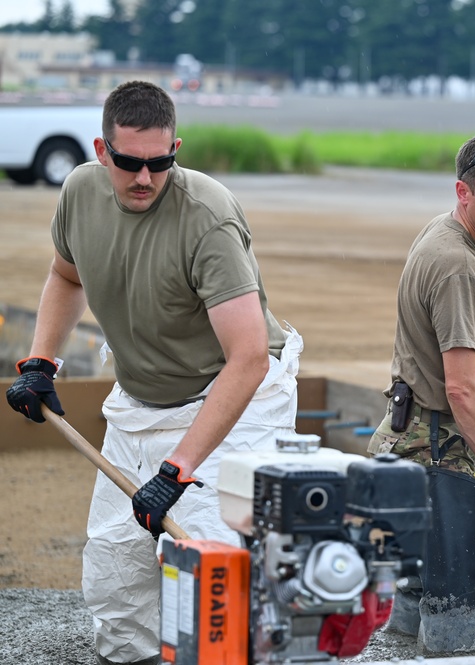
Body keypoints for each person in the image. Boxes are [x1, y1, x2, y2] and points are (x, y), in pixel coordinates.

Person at [5, 81, 300, 665]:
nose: (145, 178)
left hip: (230, 401)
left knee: (214, 577)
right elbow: (67, 277)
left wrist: (179, 468)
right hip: (139, 401)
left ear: (176, 150)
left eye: (161, 162)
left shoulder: (206, 219)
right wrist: (41, 362)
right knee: (118, 586)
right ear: (101, 150)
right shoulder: (81, 193)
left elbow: (249, 359)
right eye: (130, 163)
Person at [367, 133, 475, 655]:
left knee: (417, 583)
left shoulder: (451, 234)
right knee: (457, 602)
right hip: (434, 445)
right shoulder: (457, 264)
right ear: (464, 192)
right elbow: (461, 387)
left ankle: (407, 645)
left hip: (406, 430)